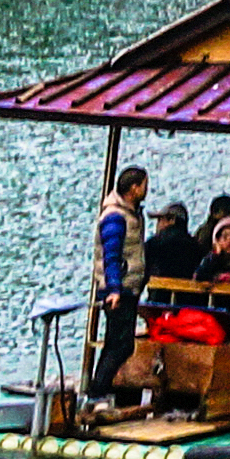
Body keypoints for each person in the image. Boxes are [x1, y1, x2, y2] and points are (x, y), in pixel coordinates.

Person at [88, 165, 152, 397]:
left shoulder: (132, 213)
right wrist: (114, 288)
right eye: (144, 185)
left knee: (117, 343)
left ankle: (100, 390)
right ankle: (98, 391)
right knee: (121, 345)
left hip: (129, 288)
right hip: (118, 290)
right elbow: (111, 255)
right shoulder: (116, 217)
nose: (146, 189)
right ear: (134, 189)